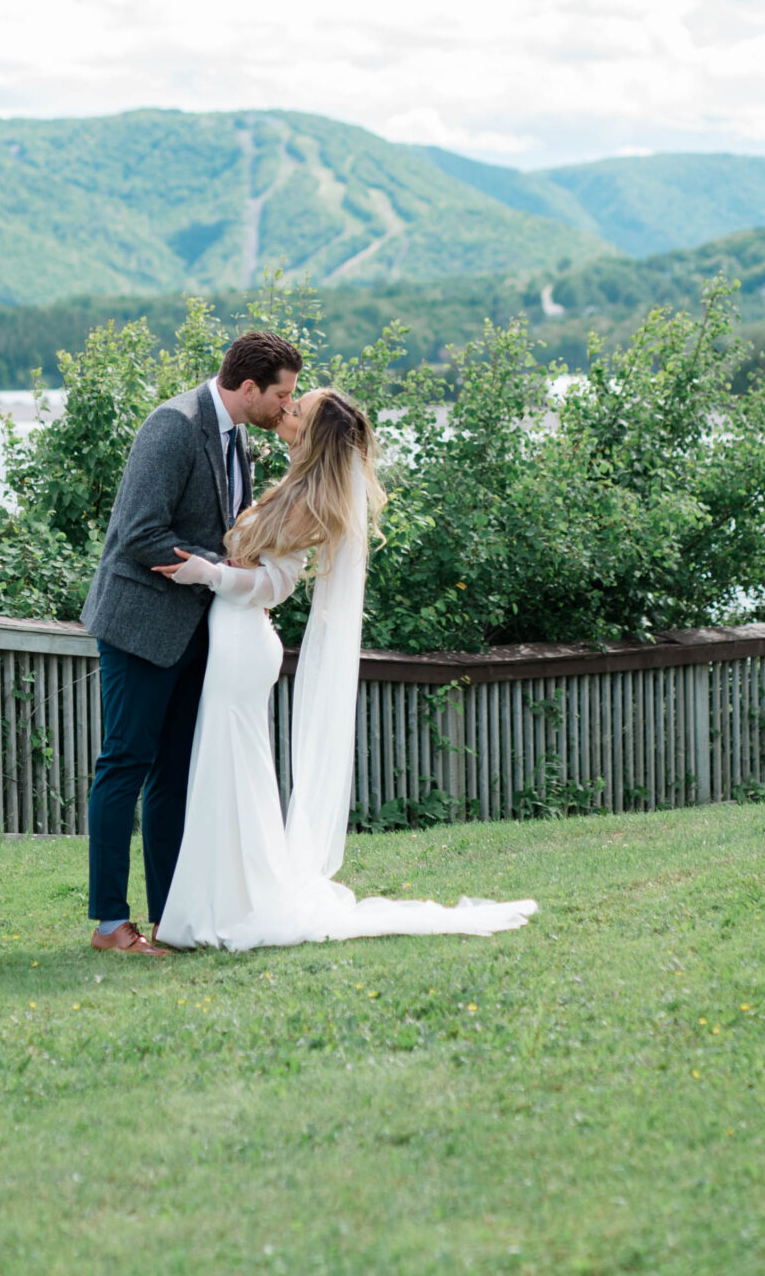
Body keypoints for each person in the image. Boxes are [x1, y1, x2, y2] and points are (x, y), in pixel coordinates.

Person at [151, 386, 538, 950]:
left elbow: (275, 586)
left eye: (297, 409)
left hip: (242, 641)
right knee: (225, 770)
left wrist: (207, 576)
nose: (286, 411)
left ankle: (230, 906)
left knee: (232, 771)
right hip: (232, 639)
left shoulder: (310, 503)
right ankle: (222, 900)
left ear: (313, 433)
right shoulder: (292, 486)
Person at [79, 329, 303, 956]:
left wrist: (233, 576)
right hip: (143, 626)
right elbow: (138, 534)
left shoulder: (241, 444)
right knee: (125, 765)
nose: (288, 406)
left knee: (175, 776)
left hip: (199, 634)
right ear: (249, 387)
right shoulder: (173, 425)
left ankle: (168, 919)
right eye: (282, 395)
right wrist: (224, 567)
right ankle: (107, 924)